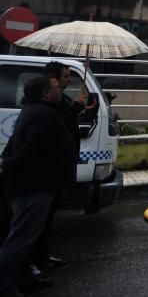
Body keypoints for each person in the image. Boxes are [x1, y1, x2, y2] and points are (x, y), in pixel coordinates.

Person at [0, 76, 75, 297]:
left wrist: (7, 161)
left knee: (27, 239)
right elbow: (33, 148)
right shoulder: (43, 115)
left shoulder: (33, 110)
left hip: (32, 184)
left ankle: (24, 279)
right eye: (57, 87)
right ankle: (3, 290)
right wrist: (9, 164)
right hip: (34, 186)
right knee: (19, 240)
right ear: (46, 93)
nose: (61, 90)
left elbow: (18, 143)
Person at [30, 61, 98, 275]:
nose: (68, 80)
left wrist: (86, 109)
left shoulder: (59, 101)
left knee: (47, 218)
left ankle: (41, 257)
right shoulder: (43, 108)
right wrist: (76, 106)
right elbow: (58, 125)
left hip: (58, 169)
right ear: (52, 80)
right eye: (66, 76)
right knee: (36, 221)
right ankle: (30, 264)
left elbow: (69, 123)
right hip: (47, 171)